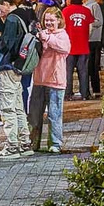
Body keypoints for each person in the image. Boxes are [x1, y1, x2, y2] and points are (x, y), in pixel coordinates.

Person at [0, 0, 33, 157]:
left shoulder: (12, 19)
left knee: (7, 107)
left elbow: (6, 45)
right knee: (18, 107)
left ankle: (12, 145)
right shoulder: (24, 15)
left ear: (6, 4)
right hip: (18, 67)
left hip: (7, 66)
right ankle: (25, 143)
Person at [29, 11, 71, 153]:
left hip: (56, 81)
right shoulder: (41, 34)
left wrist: (47, 38)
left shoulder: (62, 35)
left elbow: (65, 48)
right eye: (46, 20)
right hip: (39, 80)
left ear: (59, 20)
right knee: (34, 115)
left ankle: (55, 143)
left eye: (52, 20)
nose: (48, 23)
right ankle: (33, 142)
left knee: (54, 114)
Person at [62, 0, 95, 103]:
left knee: (68, 72)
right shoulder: (86, 11)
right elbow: (91, 28)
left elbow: (62, 28)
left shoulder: (65, 11)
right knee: (83, 72)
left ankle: (67, 94)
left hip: (69, 47)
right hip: (83, 46)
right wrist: (86, 38)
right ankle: (85, 94)